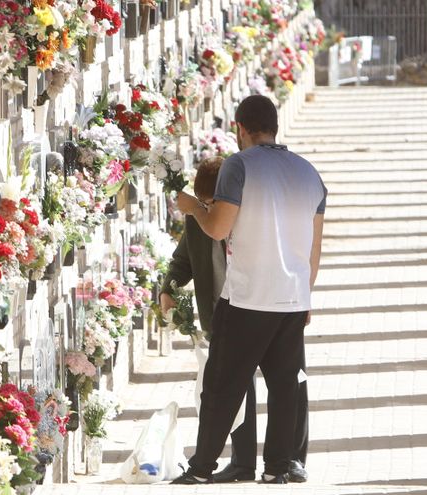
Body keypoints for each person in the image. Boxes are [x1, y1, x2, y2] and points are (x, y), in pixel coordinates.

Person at [169, 95, 325, 485]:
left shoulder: (239, 166)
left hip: (247, 298)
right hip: (291, 297)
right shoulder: (308, 173)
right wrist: (305, 295)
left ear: (240, 127)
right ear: (272, 125)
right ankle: (276, 468)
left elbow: (219, 228)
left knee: (223, 387)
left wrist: (193, 207)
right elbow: (314, 249)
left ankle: (201, 469)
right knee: (284, 386)